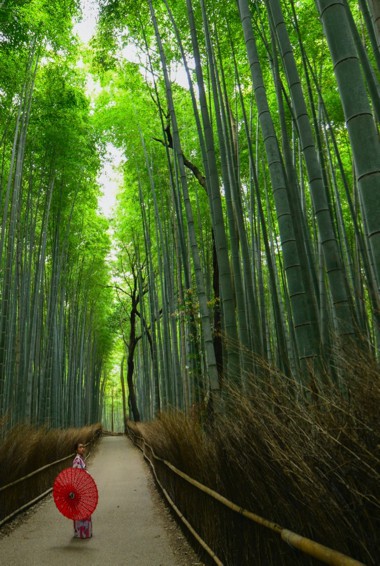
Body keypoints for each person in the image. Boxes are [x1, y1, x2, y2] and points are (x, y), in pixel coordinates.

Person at [72, 441, 93, 539]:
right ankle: (81, 531)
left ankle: (84, 531)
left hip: (83, 487)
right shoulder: (77, 460)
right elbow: (78, 475)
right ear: (76, 450)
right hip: (80, 488)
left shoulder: (81, 459)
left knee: (83, 509)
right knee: (81, 509)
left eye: (83, 447)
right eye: (80, 447)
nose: (82, 448)